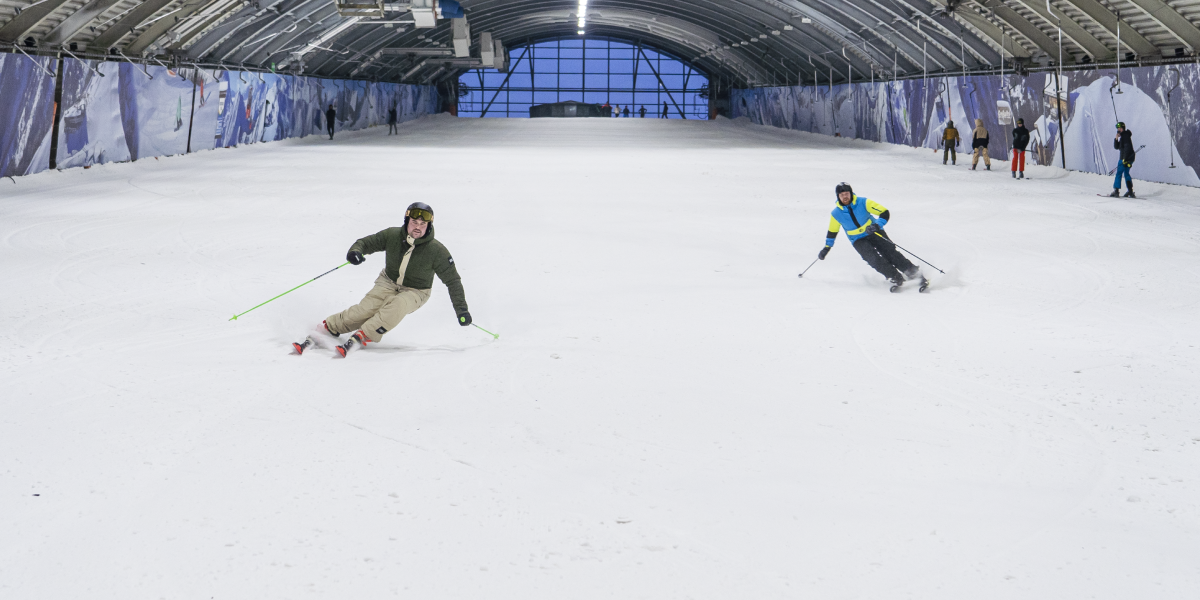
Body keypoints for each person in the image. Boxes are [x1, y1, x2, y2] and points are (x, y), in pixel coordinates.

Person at [303, 202, 471, 357]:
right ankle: (329, 327)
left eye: (423, 224)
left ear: (429, 226)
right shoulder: (393, 235)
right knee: (365, 310)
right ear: (407, 221)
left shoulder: (437, 251)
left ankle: (365, 334)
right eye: (414, 222)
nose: (418, 227)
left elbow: (453, 281)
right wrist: (355, 251)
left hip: (417, 291)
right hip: (388, 281)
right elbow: (366, 243)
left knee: (398, 305)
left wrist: (462, 310)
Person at [817, 182, 926, 292]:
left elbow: (884, 212)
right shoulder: (836, 214)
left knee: (890, 252)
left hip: (873, 232)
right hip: (857, 240)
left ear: (851, 193)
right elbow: (832, 232)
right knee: (872, 259)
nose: (845, 197)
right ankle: (895, 276)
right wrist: (826, 248)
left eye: (847, 193)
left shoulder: (863, 202)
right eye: (842, 195)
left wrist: (877, 225)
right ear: (838, 196)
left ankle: (914, 273)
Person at [1110, 122, 1136, 198]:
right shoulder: (1124, 136)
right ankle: (1130, 191)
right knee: (1126, 174)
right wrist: (1116, 138)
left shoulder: (1125, 137)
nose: (1118, 130)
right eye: (1118, 129)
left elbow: (1127, 148)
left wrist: (1124, 159)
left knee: (1119, 174)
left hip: (1124, 159)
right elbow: (1117, 147)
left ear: (1123, 128)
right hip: (1129, 158)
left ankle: (1116, 191)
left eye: (1120, 129)